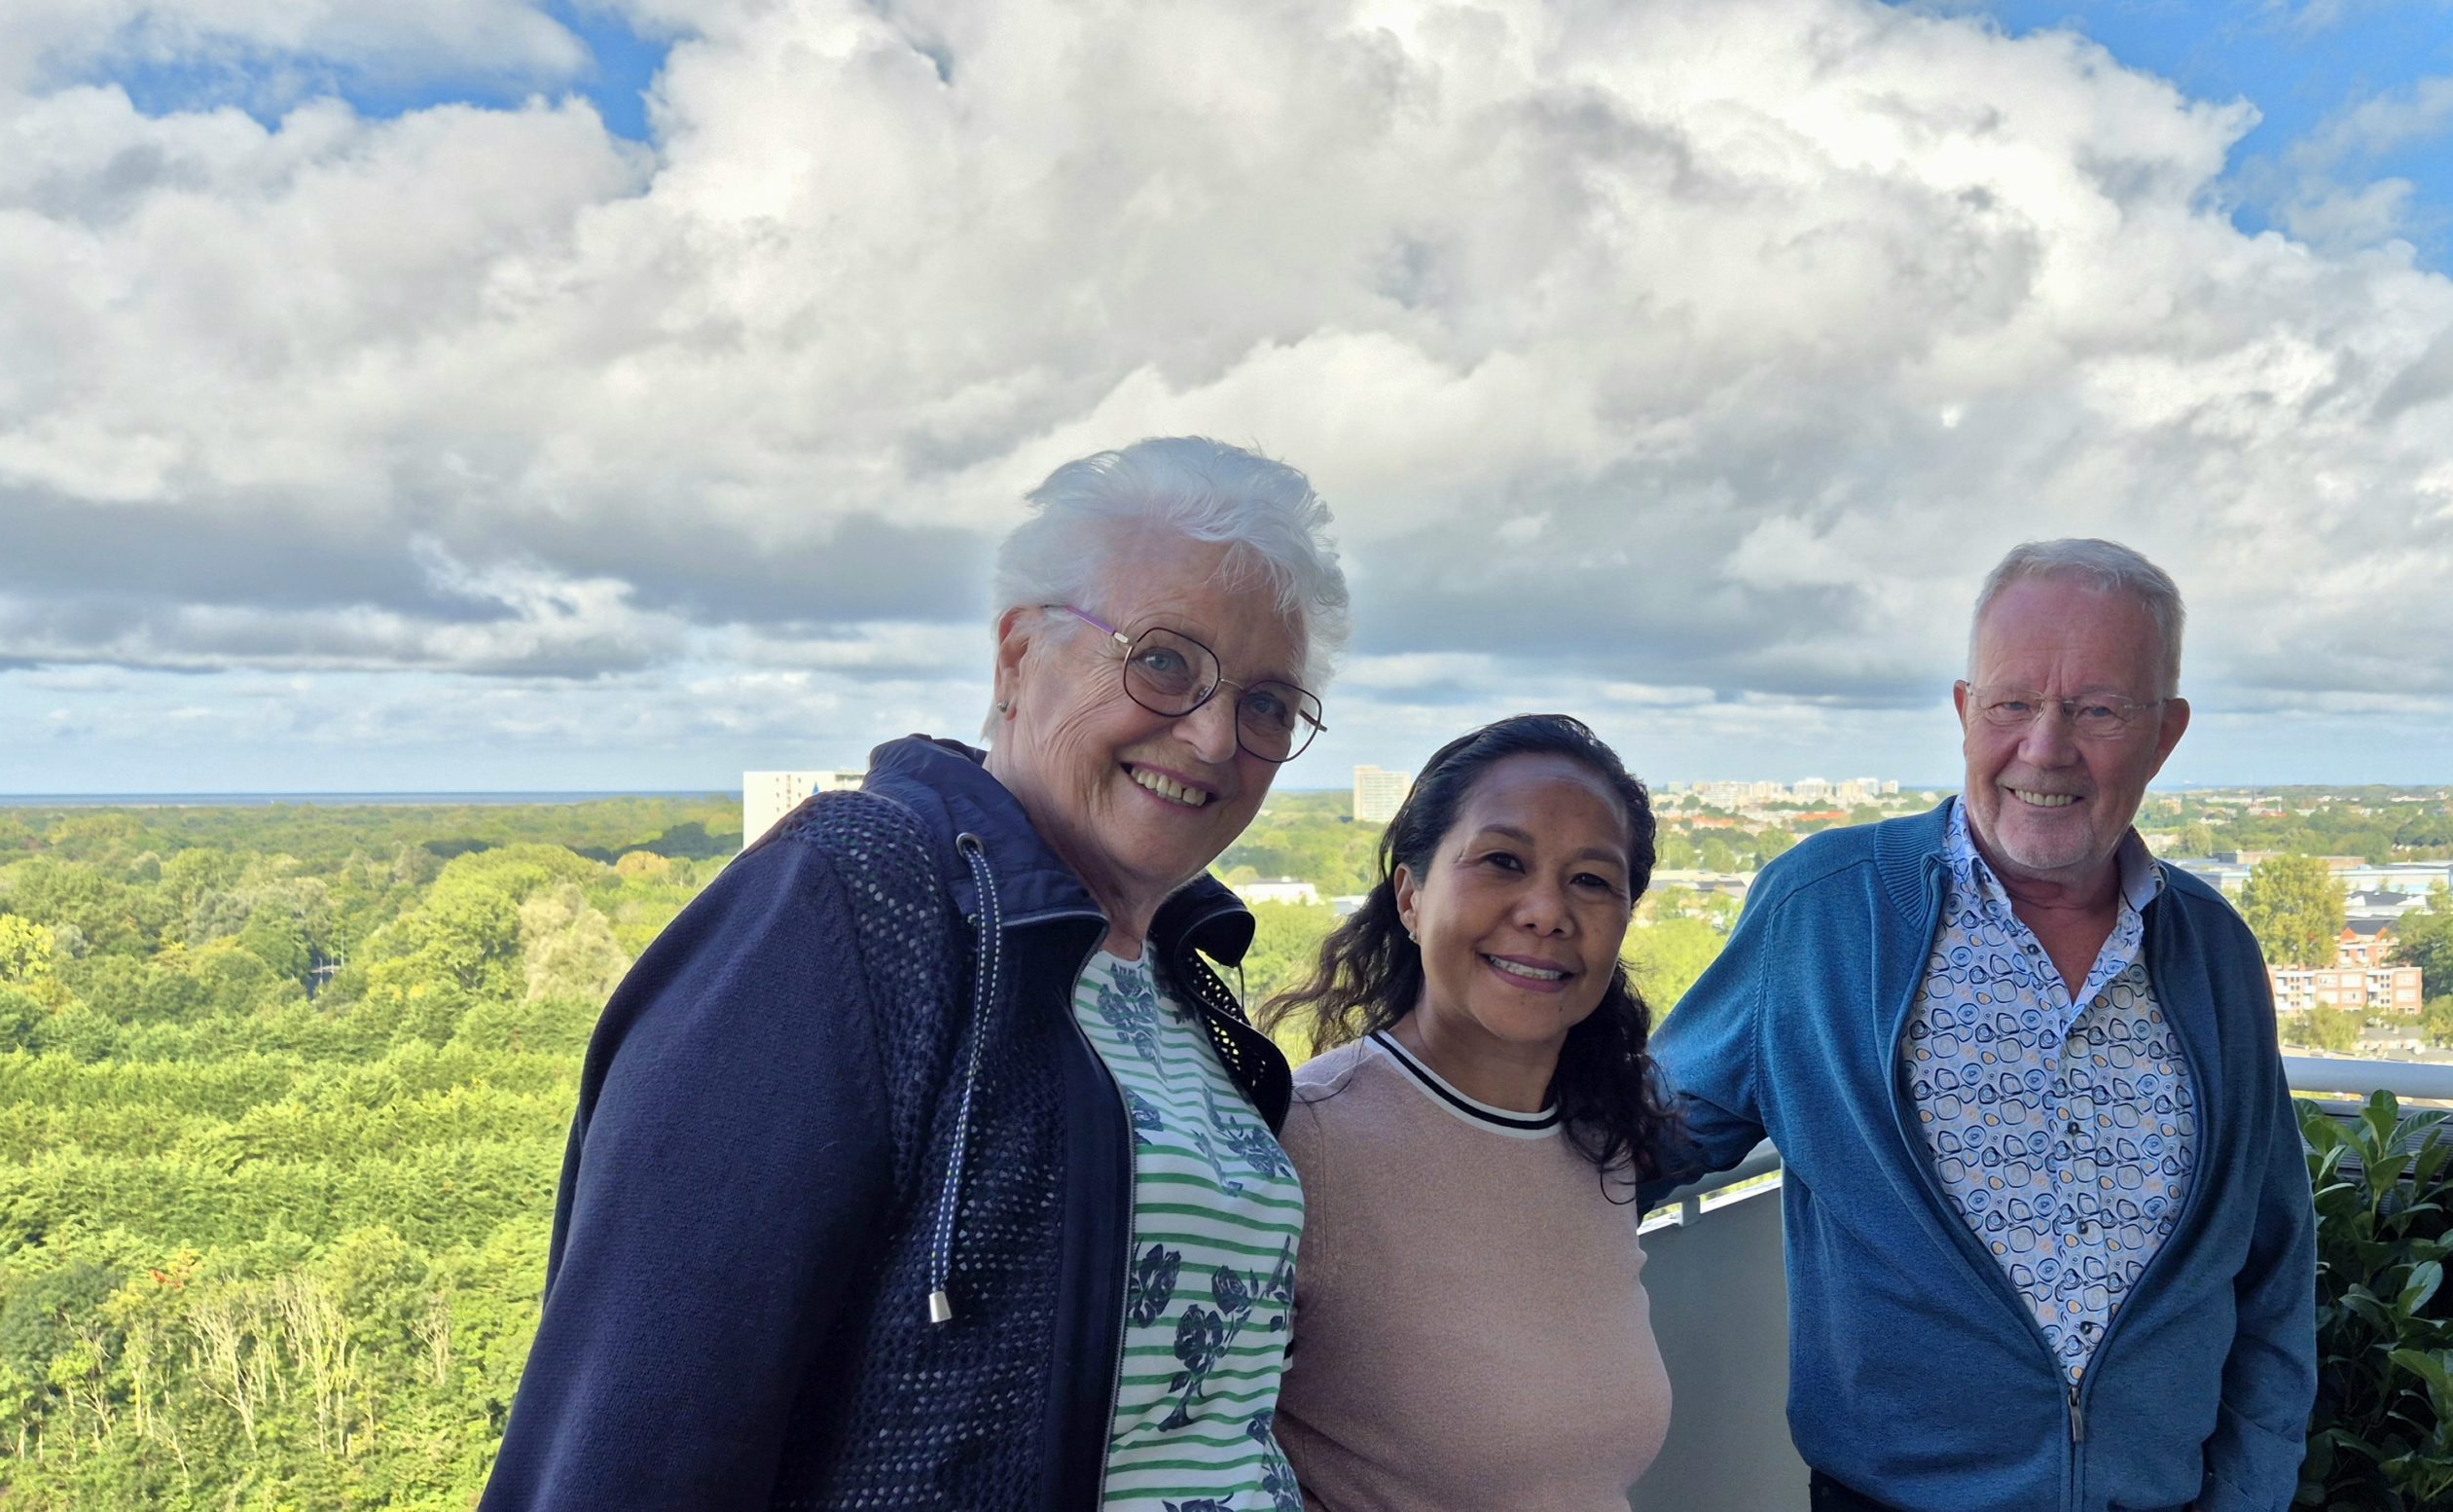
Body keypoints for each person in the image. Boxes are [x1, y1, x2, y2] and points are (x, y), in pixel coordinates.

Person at [478, 437, 1350, 1511]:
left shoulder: (1186, 991)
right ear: (1017, 657)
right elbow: (632, 1429)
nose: (1216, 735)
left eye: (1267, 703)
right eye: (1164, 661)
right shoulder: (854, 901)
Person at [1649, 539, 2315, 1512]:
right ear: (1966, 713)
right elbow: (1630, 1140)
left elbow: (2272, 1266)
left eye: (2095, 709)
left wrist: (2249, 1494)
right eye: (2011, 705)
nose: (2045, 749)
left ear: (2164, 733)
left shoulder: (2212, 948)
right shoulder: (1827, 912)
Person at [1259, 713, 1675, 1512]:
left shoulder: (1600, 1140)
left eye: (1591, 879)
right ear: (1411, 897)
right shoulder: (1306, 1140)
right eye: (1502, 862)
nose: (1546, 911)